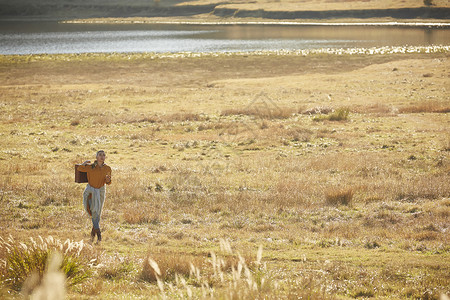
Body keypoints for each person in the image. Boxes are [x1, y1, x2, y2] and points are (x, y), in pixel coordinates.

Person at [77, 150, 112, 243]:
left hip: (100, 191)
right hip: (91, 191)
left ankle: (93, 235)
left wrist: (108, 180)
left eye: (104, 155)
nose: (102, 157)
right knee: (93, 212)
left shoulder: (107, 168)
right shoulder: (90, 167)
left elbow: (108, 182)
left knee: (98, 213)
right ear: (96, 157)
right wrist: (83, 163)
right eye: (100, 155)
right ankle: (99, 234)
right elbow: (79, 169)